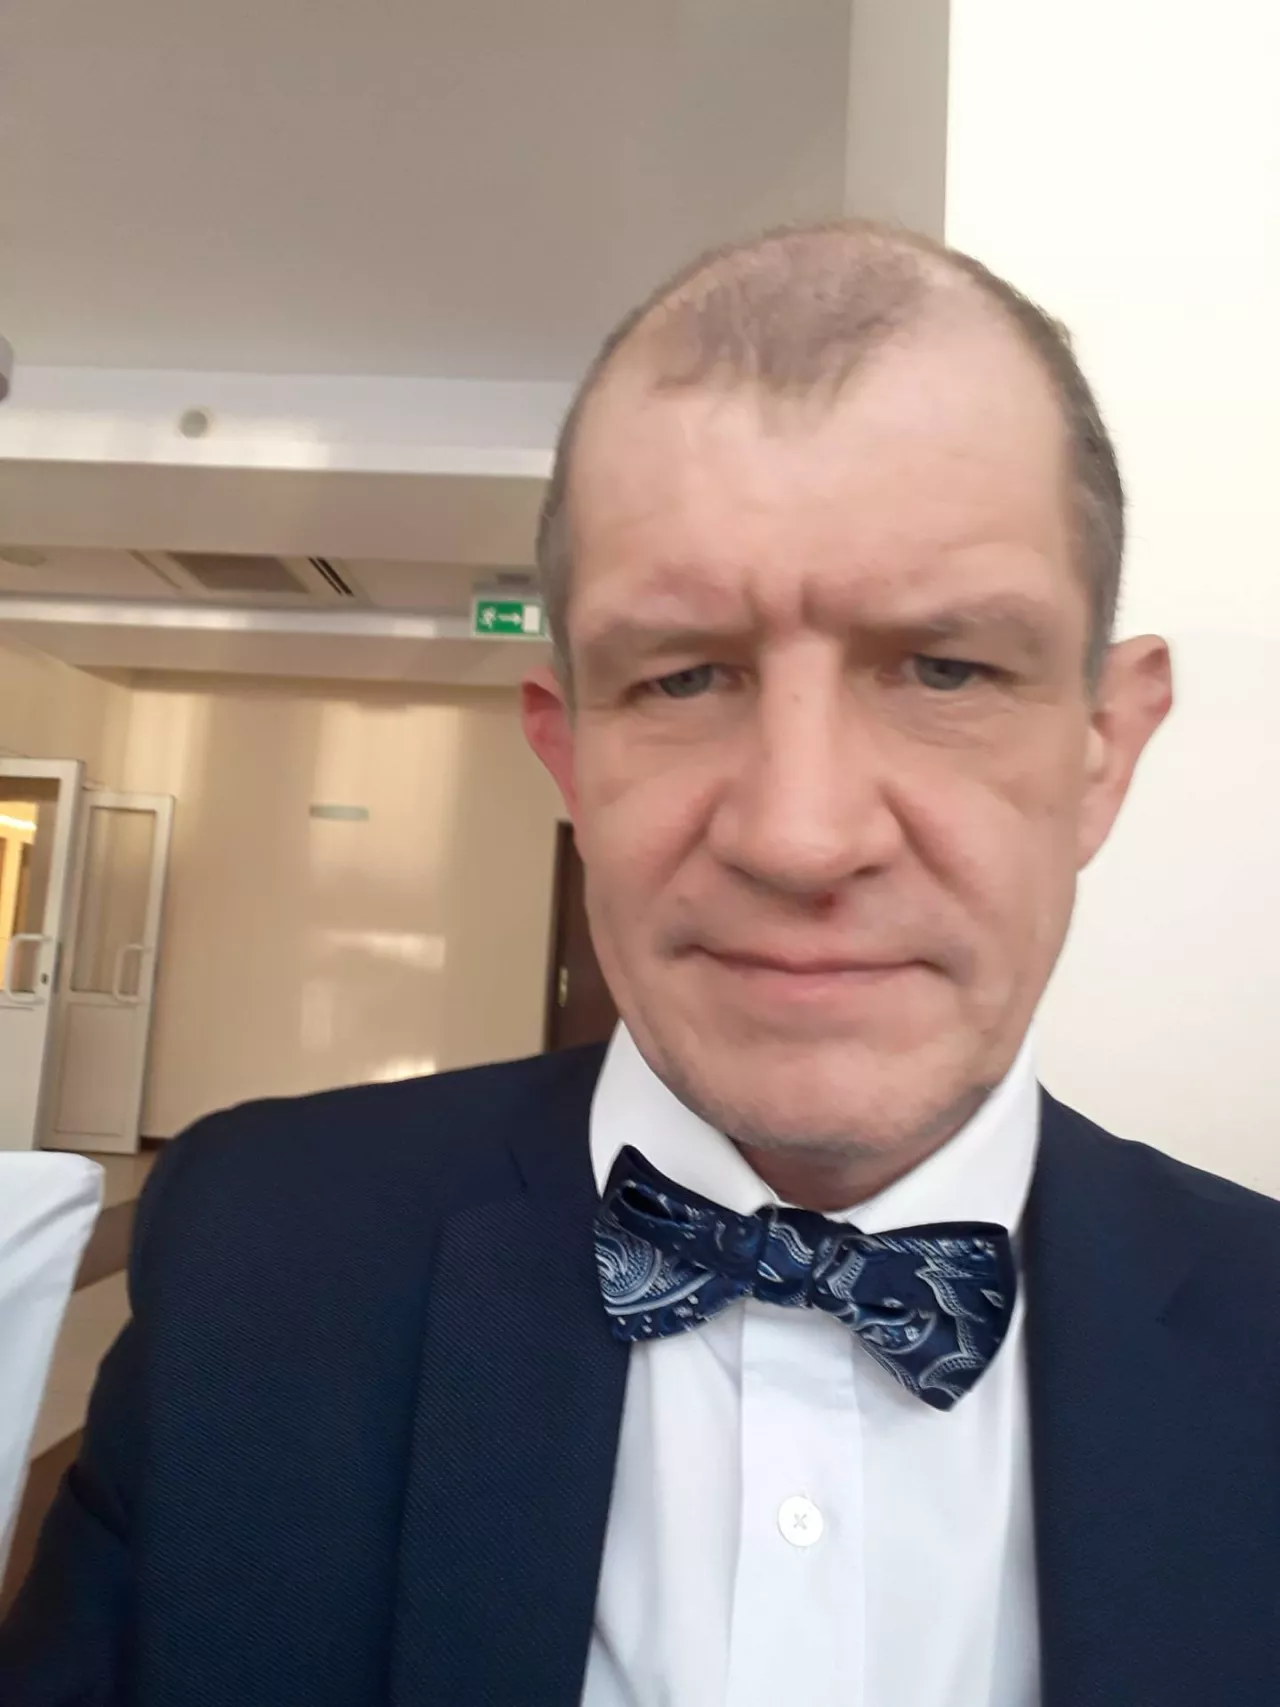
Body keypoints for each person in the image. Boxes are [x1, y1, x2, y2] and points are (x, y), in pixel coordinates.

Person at [2, 222, 1276, 1707]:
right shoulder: (256, 1254)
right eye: (681, 676)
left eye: (947, 667)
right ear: (569, 755)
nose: (800, 835)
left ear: (1104, 750)